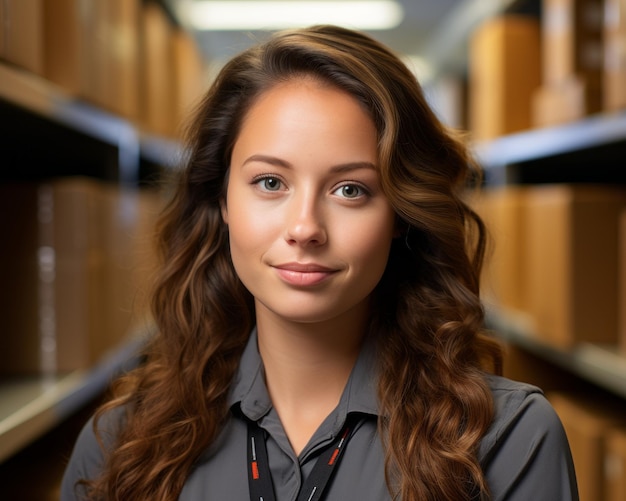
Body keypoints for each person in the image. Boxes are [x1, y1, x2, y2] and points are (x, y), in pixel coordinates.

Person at [61, 24, 578, 501]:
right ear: (221, 200)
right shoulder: (122, 444)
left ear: (401, 212)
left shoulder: (505, 441)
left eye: (350, 189)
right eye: (270, 183)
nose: (305, 227)